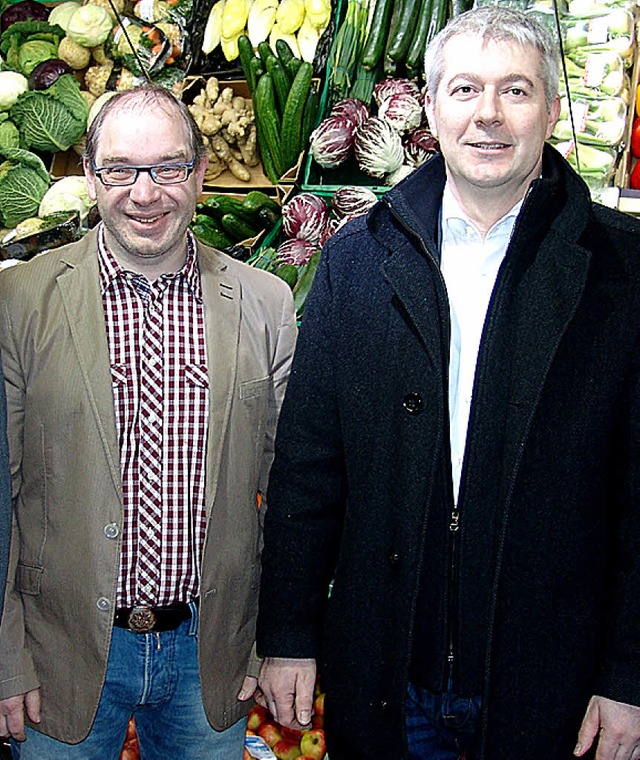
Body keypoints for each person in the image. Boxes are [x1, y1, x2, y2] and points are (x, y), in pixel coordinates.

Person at [255, 6, 640, 759]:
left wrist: (628, 674)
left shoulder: (622, 273)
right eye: (464, 90)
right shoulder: (358, 260)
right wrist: (290, 634)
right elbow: (308, 469)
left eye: (516, 91)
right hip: (389, 676)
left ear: (551, 111)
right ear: (431, 108)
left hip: (553, 688)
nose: (488, 115)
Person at [0, 84, 296, 759]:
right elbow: (0, 497)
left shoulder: (265, 304)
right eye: (121, 170)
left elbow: (291, 497)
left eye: (167, 168)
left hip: (210, 653)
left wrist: (272, 642)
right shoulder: (18, 301)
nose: (146, 192)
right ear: (90, 174)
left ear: (197, 175)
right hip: (60, 652)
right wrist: (5, 655)